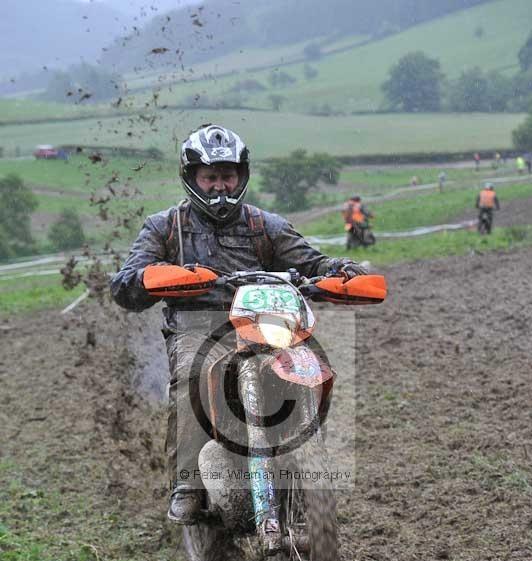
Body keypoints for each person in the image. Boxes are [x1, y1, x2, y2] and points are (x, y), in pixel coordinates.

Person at [110, 124, 367, 523]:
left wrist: (340, 269)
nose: (219, 186)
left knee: (310, 366)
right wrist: (155, 276)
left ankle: (308, 454)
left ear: (241, 176)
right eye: (209, 177)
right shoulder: (165, 227)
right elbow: (125, 283)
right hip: (197, 326)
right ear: (191, 178)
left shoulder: (264, 225)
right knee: (190, 376)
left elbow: (310, 260)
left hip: (264, 321)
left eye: (227, 176)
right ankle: (188, 481)